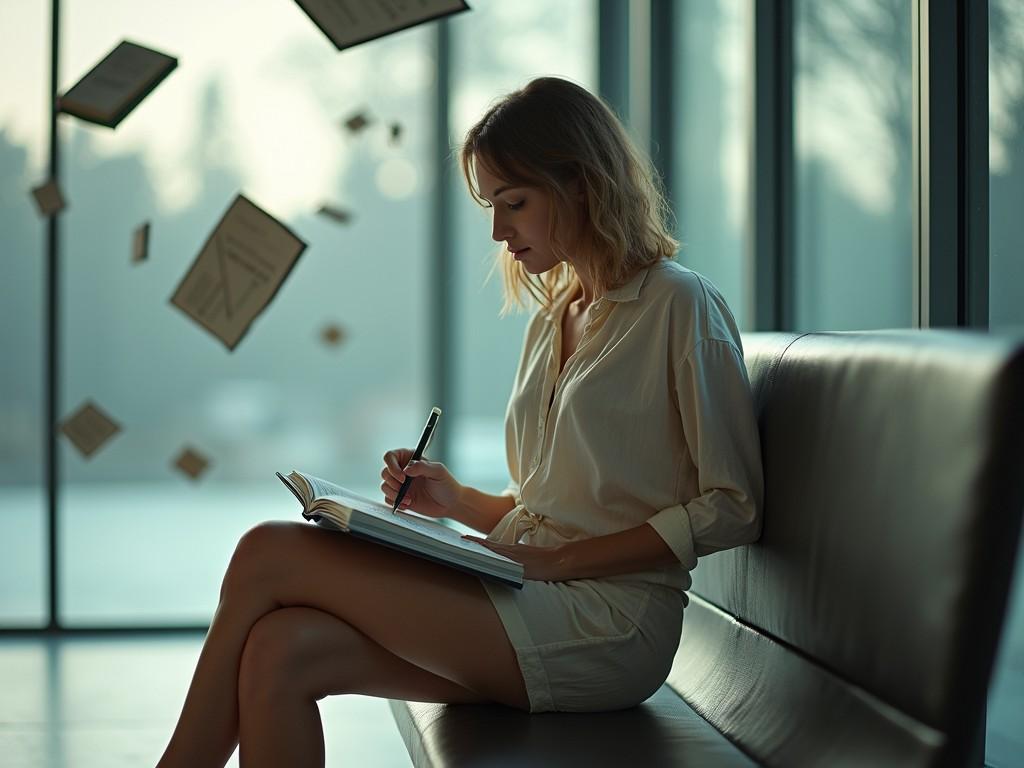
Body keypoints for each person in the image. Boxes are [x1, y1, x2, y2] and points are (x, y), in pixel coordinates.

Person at [156, 76, 763, 768]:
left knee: (269, 550)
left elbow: (733, 508)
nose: (500, 231)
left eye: (515, 203)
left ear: (583, 185)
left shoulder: (681, 308)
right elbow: (547, 510)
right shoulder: (552, 319)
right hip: (534, 592)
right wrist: (455, 503)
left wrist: (555, 562)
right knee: (280, 650)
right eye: (491, 208)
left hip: (609, 625)